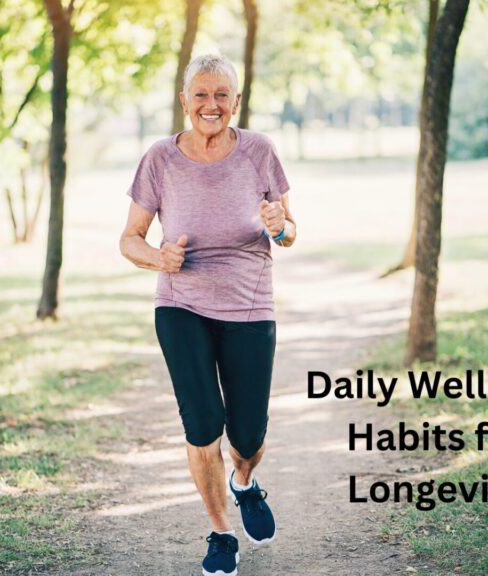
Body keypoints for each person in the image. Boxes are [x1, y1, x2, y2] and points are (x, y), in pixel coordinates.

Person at [119, 54, 297, 576]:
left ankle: (243, 481)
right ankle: (221, 532)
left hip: (248, 304)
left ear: (236, 102)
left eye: (222, 95)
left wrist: (278, 224)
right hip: (181, 304)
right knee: (203, 424)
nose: (211, 105)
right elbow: (129, 238)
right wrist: (158, 257)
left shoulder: (260, 151)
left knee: (248, 434)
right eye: (200, 94)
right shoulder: (160, 158)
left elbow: (290, 235)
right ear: (184, 101)